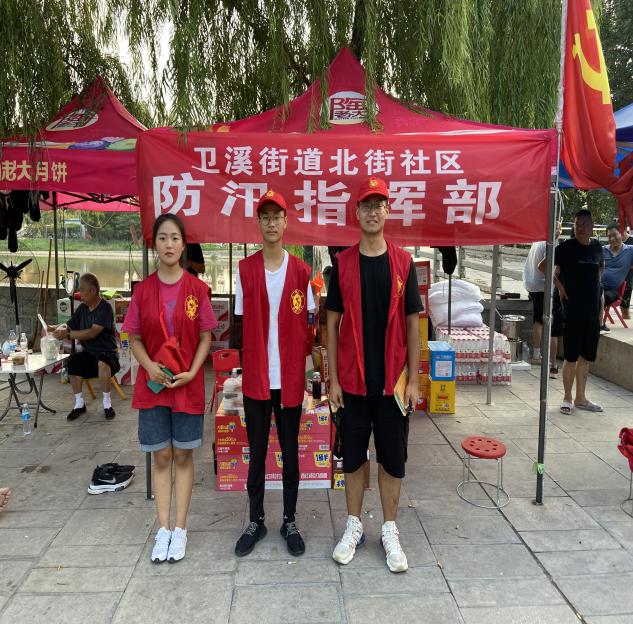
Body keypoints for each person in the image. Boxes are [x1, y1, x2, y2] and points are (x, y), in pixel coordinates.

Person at [326, 176, 422, 573]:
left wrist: (414, 379)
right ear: (357, 212)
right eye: (366, 205)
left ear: (387, 211)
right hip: (352, 382)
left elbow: (413, 323)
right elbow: (331, 324)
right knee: (352, 458)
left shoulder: (403, 263)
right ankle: (353, 526)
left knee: (392, 459)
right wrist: (332, 379)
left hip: (392, 385)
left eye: (378, 205)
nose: (372, 212)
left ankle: (389, 529)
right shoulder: (343, 264)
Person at [122, 214, 216, 563]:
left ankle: (180, 528)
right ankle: (162, 529)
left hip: (186, 386)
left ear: (184, 244)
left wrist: (193, 372)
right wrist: (149, 366)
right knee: (161, 456)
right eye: (163, 238)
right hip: (154, 387)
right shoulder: (143, 291)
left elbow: (206, 336)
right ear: (154, 244)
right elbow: (133, 337)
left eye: (175, 238)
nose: (169, 244)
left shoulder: (197, 289)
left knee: (183, 455)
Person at [233, 189, 316, 558]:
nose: (270, 223)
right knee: (256, 451)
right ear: (259, 223)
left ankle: (289, 520)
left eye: (276, 216)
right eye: (264, 217)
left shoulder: (300, 271)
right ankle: (256, 520)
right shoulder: (245, 269)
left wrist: (311, 371)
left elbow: (309, 327)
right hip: (256, 378)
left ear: (285, 222)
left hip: (290, 379)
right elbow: (239, 326)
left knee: (290, 452)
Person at [48, 273, 120, 420]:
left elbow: (92, 333)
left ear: (92, 291)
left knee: (103, 362)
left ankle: (107, 404)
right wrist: (54, 328)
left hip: (108, 355)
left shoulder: (105, 308)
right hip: (89, 355)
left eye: (82, 289)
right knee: (73, 361)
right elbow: (69, 324)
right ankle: (79, 404)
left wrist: (67, 334)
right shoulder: (82, 308)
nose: (79, 293)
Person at [554, 209, 604, 415]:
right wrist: (560, 286)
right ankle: (567, 398)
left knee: (586, 357)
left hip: (592, 312)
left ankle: (581, 398)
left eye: (584, 224)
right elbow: (544, 266)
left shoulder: (597, 247)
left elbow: (600, 274)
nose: (580, 227)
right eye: (577, 224)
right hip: (573, 311)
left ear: (592, 226)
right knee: (571, 357)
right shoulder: (566, 248)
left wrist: (601, 307)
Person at [525, 221, 563, 377]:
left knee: (539, 319)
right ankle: (536, 355)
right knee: (540, 321)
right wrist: (558, 284)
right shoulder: (549, 243)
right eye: (555, 227)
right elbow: (543, 267)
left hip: (531, 282)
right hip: (541, 285)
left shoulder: (539, 240)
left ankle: (537, 353)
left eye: (559, 228)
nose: (558, 231)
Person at [601, 223, 633, 327]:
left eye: (614, 235)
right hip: (596, 285)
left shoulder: (630, 250)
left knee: (598, 297)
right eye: (609, 236)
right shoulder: (602, 250)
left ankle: (597, 324)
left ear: (622, 234)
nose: (612, 238)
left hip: (613, 291)